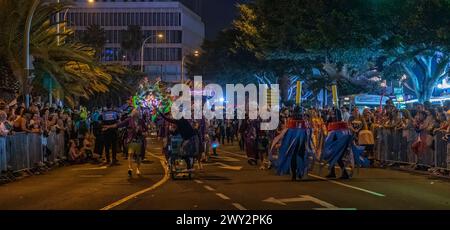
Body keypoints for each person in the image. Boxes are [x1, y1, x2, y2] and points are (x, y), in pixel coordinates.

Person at [104, 109, 147, 177]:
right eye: (134, 112)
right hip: (131, 140)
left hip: (139, 140)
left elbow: (146, 129)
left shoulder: (141, 121)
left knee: (138, 156)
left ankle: (138, 169)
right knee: (130, 154)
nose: (136, 113)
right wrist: (109, 126)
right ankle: (130, 168)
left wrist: (144, 132)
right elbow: (119, 124)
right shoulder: (129, 120)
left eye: (137, 112)